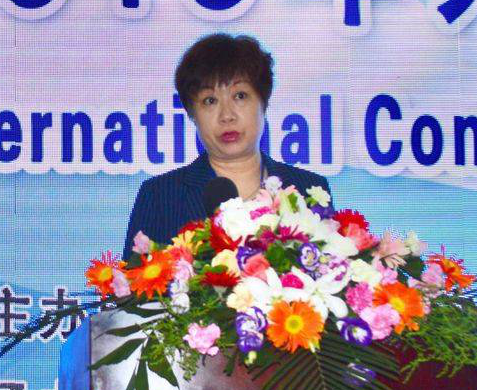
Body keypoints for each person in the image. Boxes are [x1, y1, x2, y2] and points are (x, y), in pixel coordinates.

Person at [123, 33, 332, 256]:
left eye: (240, 96)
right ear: (192, 113)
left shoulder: (308, 189)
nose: (227, 115)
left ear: (263, 103)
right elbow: (135, 277)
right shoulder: (160, 196)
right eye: (210, 101)